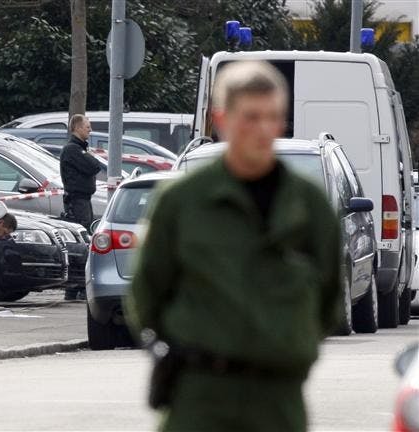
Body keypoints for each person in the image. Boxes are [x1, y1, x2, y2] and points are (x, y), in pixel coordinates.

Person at [125, 61, 342, 432]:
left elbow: (329, 298)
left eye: (273, 117)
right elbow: (147, 294)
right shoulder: (182, 202)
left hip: (279, 397)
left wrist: (289, 341)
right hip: (200, 394)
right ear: (222, 120)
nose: (263, 130)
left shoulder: (308, 205)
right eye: (251, 117)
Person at [60, 114, 101, 300]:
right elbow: (94, 166)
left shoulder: (79, 149)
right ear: (77, 128)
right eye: (87, 127)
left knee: (85, 241)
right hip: (77, 202)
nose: (90, 130)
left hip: (83, 200)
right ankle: (74, 287)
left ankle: (78, 286)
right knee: (80, 244)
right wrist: (89, 156)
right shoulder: (72, 150)